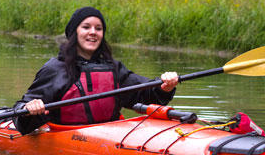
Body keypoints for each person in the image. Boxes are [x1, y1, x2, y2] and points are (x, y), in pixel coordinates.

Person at [13, 7, 179, 135]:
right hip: (65, 137)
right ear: (74, 33)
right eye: (86, 27)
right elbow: (21, 110)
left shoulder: (114, 68)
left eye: (98, 28)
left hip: (109, 137)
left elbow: (143, 93)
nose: (93, 32)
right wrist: (30, 108)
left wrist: (164, 87)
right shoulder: (55, 69)